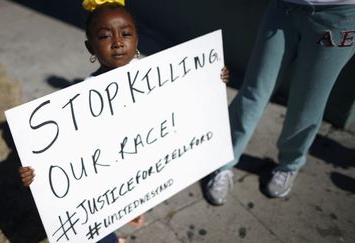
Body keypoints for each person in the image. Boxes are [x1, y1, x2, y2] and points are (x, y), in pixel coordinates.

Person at [20, 0, 230, 242]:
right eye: (105, 36)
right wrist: (38, 172)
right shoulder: (84, 99)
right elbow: (72, 159)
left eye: (126, 33)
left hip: (140, 175)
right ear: (90, 48)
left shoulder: (160, 75)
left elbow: (184, 102)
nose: (118, 42)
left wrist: (212, 77)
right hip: (105, 191)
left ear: (137, 40)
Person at [205, 0, 355, 206]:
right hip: (285, 7)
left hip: (340, 15)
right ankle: (223, 162)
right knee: (254, 90)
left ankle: (290, 165)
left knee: (308, 103)